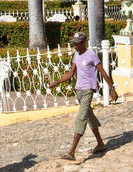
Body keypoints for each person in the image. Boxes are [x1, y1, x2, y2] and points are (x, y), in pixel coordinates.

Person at [48, 32, 118, 160]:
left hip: (87, 91)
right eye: (73, 43)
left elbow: (103, 72)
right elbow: (71, 73)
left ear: (83, 43)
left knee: (81, 118)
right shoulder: (76, 55)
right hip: (79, 91)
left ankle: (71, 152)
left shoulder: (91, 55)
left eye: (77, 43)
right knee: (89, 117)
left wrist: (112, 89)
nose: (74, 46)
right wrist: (56, 82)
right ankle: (101, 144)